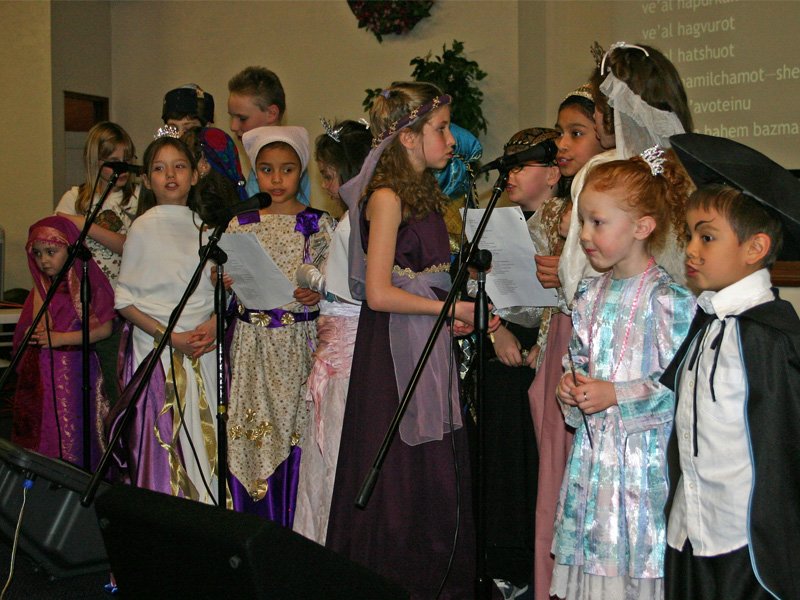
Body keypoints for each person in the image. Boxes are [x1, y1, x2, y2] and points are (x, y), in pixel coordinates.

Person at [326, 82, 490, 599]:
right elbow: (378, 293)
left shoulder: (427, 195)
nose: (450, 138)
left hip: (426, 342)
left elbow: (428, 277)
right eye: (440, 128)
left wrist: (451, 315)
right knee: (400, 472)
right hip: (393, 353)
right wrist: (448, 309)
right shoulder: (387, 197)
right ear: (408, 137)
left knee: (433, 467)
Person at [551, 148, 695, 599]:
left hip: (640, 469)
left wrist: (616, 394)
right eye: (583, 223)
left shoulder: (667, 299)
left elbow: (679, 389)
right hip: (595, 461)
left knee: (634, 572)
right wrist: (570, 389)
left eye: (598, 223)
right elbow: (577, 361)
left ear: (642, 227)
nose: (586, 236)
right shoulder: (589, 294)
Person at [662, 133, 800, 600]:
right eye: (690, 236)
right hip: (690, 533)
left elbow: (786, 448)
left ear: (755, 247)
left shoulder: (770, 337)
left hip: (747, 545)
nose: (691, 250)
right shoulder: (707, 324)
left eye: (707, 236)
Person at [225, 125, 334, 525]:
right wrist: (227, 283)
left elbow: (333, 282)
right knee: (255, 429)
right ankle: (252, 516)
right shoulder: (241, 223)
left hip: (297, 343)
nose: (276, 179)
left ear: (300, 173)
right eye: (267, 170)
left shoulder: (318, 223)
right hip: (253, 345)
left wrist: (319, 293)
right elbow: (228, 287)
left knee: (295, 428)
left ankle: (296, 519)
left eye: (286, 170)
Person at [109, 133, 218, 504]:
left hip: (200, 351)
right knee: (164, 445)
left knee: (205, 446)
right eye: (159, 168)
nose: (170, 175)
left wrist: (213, 325)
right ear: (146, 179)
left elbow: (219, 291)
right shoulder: (143, 227)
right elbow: (125, 301)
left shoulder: (206, 227)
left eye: (179, 166)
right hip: (158, 353)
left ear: (195, 174)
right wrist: (172, 338)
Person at [529, 85, 606, 600]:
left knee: (574, 465)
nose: (563, 142)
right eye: (560, 132)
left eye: (576, 132)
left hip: (588, 333)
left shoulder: (607, 192)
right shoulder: (564, 203)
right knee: (552, 468)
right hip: (559, 329)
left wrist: (573, 271)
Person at [559, 41, 693, 307]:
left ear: (613, 109)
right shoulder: (687, 172)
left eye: (597, 106)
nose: (596, 117)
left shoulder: (603, 171)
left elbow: (574, 275)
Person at [293, 119, 371, 545]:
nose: (324, 184)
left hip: (345, 355)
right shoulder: (355, 219)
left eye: (327, 175)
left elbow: (352, 292)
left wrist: (314, 278)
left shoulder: (353, 222)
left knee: (336, 452)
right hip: (337, 347)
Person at [11, 216, 115, 468]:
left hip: (75, 371)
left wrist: (61, 339)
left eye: (51, 252)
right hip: (45, 371)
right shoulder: (42, 288)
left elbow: (104, 329)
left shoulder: (85, 284)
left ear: (70, 248)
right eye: (37, 254)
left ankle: (75, 474)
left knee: (73, 425)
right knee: (46, 424)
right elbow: (37, 323)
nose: (44, 260)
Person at [55, 121, 139, 288]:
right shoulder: (74, 198)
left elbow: (134, 246)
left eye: (127, 160)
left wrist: (84, 225)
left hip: (125, 293)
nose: (122, 168)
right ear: (95, 162)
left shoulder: (138, 197)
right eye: (114, 162)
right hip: (86, 293)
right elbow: (54, 247)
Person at [226, 66, 310, 206]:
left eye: (242, 118)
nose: (233, 127)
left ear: (271, 113)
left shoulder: (293, 159)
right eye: (232, 117)